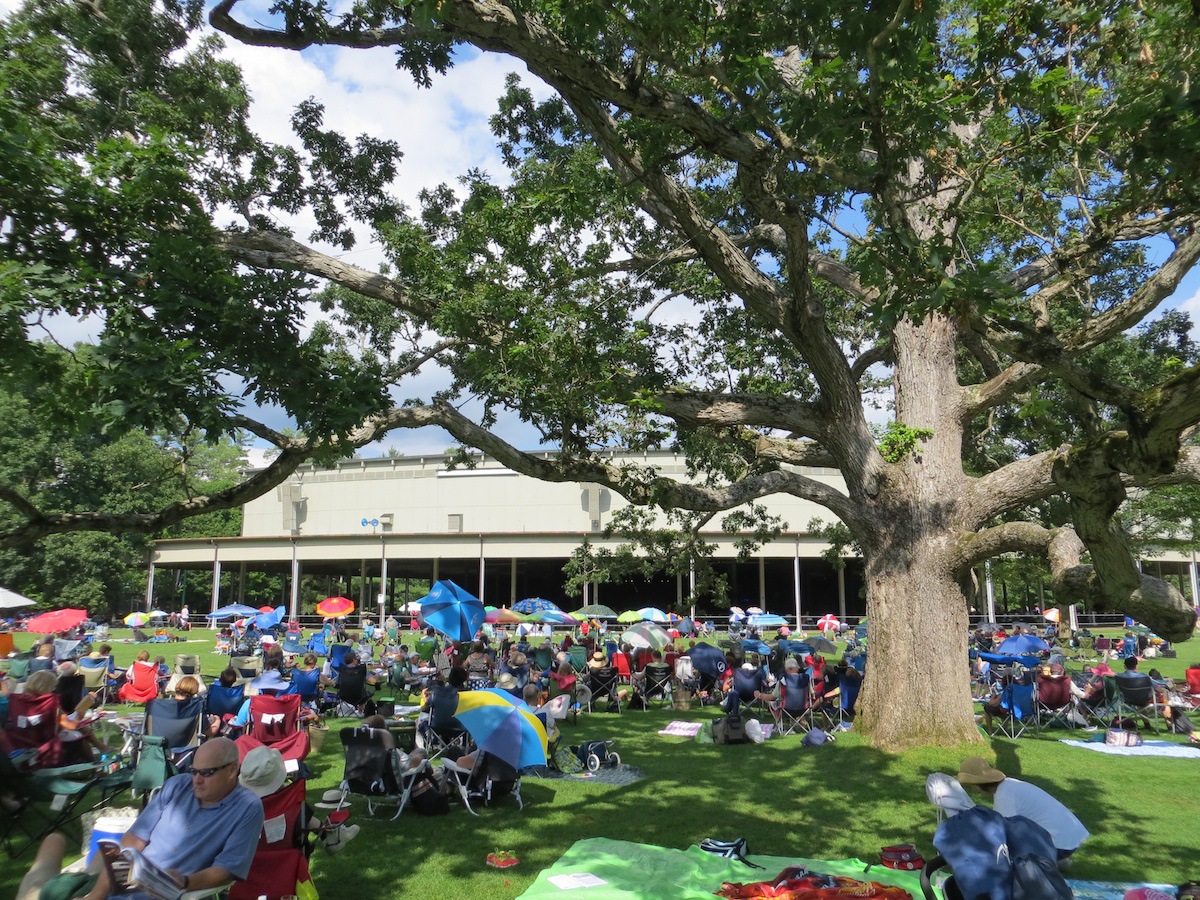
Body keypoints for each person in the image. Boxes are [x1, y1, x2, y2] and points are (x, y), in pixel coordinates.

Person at [17, 737, 263, 900]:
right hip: (122, 880)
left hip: (166, 890)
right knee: (54, 841)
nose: (196, 780)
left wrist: (184, 882)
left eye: (207, 773)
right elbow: (135, 837)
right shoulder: (178, 786)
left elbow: (227, 869)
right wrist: (111, 875)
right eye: (194, 771)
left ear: (232, 770)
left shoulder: (247, 808)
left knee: (35, 888)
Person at [956, 757, 1088, 863]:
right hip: (1071, 838)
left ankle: (1052, 860)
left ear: (978, 783)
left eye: (972, 785)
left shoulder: (1005, 795)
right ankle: (1055, 860)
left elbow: (1002, 833)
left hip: (1061, 845)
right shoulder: (1009, 785)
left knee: (1007, 851)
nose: (973, 789)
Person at [239, 745, 359, 854]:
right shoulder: (289, 803)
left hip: (246, 865)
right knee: (296, 809)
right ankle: (329, 836)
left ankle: (328, 835)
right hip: (289, 862)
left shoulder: (237, 807)